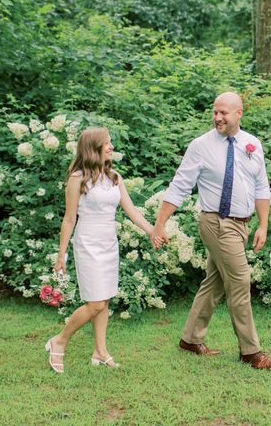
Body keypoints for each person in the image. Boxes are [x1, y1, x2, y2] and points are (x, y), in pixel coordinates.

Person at [150, 92, 271, 369]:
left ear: (239, 113)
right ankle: (251, 352)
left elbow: (261, 187)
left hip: (242, 224)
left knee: (215, 281)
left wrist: (263, 225)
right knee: (240, 280)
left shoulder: (252, 144)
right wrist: (160, 224)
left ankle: (190, 339)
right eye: (215, 112)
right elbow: (180, 185)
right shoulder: (201, 146)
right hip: (216, 222)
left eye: (224, 112)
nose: (218, 117)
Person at [45, 127, 162, 373]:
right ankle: (60, 340)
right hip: (87, 243)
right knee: (95, 302)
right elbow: (68, 219)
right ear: (93, 148)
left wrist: (152, 231)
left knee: (104, 300)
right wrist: (61, 255)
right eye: (107, 143)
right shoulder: (78, 178)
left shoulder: (115, 177)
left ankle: (100, 351)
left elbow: (131, 210)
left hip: (109, 243)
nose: (111, 147)